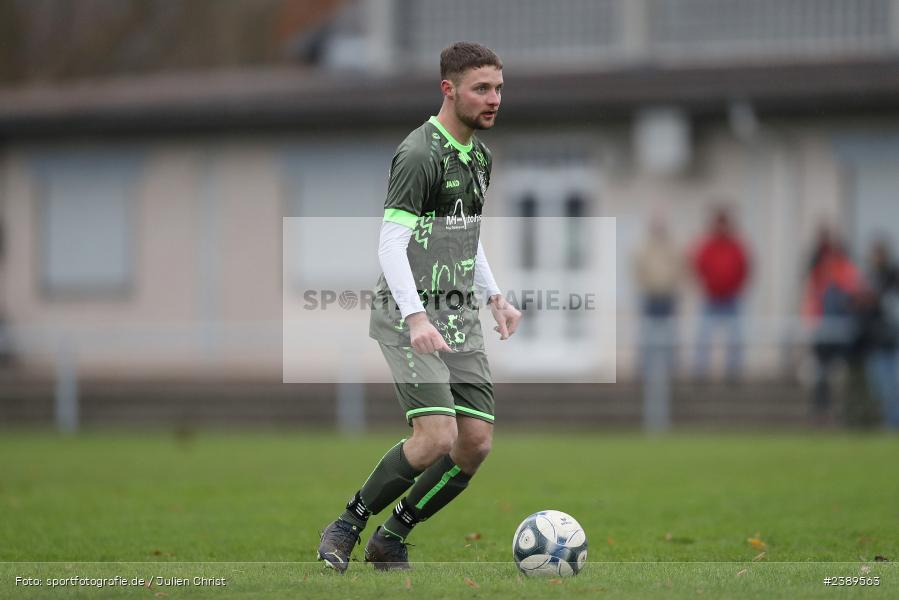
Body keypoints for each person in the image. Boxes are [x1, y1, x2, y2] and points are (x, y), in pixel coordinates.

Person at [317, 42, 521, 573]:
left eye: (498, 88)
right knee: (436, 436)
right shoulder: (419, 153)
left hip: (458, 315)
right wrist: (416, 318)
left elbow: (466, 236)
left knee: (474, 444)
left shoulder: (480, 158)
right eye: (481, 88)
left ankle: (391, 538)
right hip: (411, 315)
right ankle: (347, 524)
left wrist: (494, 296)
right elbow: (391, 243)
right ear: (448, 90)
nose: (494, 99)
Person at [801, 227, 862, 421]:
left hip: (843, 331)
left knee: (849, 372)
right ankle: (821, 409)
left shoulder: (847, 271)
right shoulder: (821, 271)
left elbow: (854, 298)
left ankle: (851, 409)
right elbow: (813, 299)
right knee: (821, 373)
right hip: (824, 331)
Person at [691, 207, 751, 381]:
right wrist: (707, 285)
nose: (721, 227)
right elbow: (698, 266)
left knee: (736, 337)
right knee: (703, 336)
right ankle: (700, 372)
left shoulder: (736, 246)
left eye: (724, 223)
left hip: (731, 299)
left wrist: (736, 287)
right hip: (712, 298)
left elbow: (745, 268)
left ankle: (733, 372)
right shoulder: (707, 246)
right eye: (719, 223)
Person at [857, 239, 899, 429]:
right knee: (881, 388)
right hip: (876, 342)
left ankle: (893, 423)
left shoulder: (890, 279)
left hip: (890, 341)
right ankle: (890, 421)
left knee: (890, 386)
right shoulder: (870, 279)